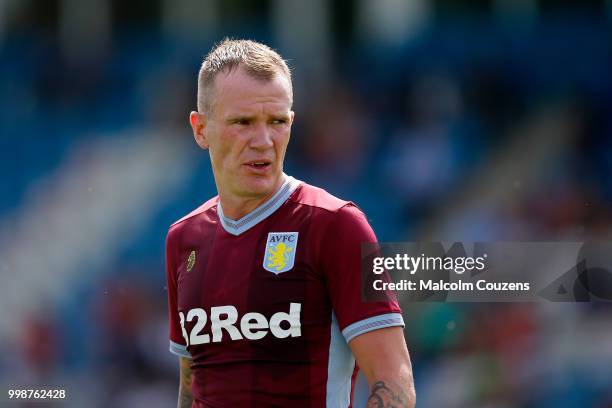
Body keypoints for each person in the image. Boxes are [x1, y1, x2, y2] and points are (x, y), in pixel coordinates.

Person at [165, 38, 416, 408]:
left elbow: (394, 381)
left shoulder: (337, 225)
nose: (264, 141)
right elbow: (193, 386)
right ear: (201, 129)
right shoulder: (183, 239)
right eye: (243, 122)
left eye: (277, 122)